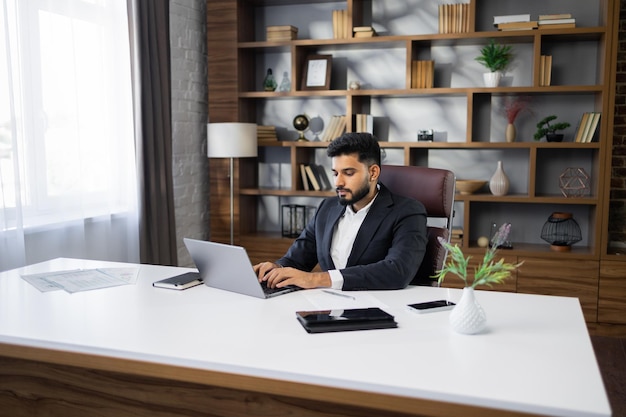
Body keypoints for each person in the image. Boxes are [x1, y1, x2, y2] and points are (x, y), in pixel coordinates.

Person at [253, 132, 428, 291]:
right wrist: (277, 269)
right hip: (327, 308)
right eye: (335, 173)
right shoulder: (326, 208)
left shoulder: (407, 212)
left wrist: (317, 279)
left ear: (373, 173)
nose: (338, 182)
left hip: (378, 312)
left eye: (348, 173)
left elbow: (397, 271)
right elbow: (297, 260)